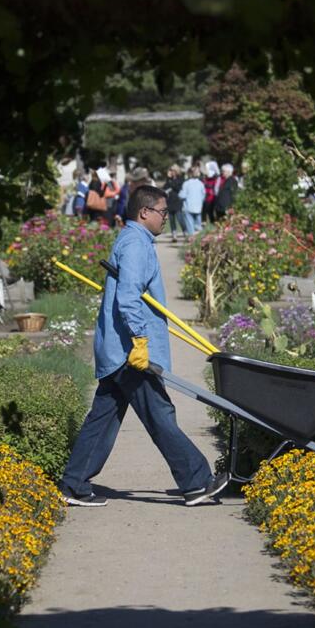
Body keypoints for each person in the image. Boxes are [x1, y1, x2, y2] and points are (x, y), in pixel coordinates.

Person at [58, 185, 230, 507]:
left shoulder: (131, 239)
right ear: (144, 212)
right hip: (130, 353)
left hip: (118, 349)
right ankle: (196, 482)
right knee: (160, 414)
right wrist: (139, 340)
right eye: (163, 212)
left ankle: (74, 484)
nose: (167, 218)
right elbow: (127, 299)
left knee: (103, 418)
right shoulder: (136, 244)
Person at [178, 166, 206, 235]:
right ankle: (199, 239)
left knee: (190, 227)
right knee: (198, 226)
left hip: (188, 207)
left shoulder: (186, 184)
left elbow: (182, 195)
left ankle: (192, 240)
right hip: (198, 208)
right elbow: (203, 195)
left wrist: (180, 194)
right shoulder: (201, 184)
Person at [163, 165, 185, 242]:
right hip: (169, 202)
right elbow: (165, 188)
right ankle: (174, 235)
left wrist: (170, 182)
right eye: (170, 170)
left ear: (176, 171)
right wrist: (168, 179)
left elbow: (177, 188)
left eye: (172, 170)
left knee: (180, 219)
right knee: (171, 220)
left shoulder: (181, 179)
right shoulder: (169, 179)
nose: (171, 172)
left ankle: (185, 232)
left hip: (177, 201)